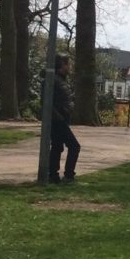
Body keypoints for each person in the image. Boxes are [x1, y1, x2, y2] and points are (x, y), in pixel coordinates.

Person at [48, 54, 81, 184]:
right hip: (58, 120)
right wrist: (59, 117)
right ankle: (68, 175)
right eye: (68, 64)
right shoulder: (54, 80)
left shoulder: (61, 80)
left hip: (61, 119)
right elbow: (48, 102)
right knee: (74, 146)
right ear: (62, 65)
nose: (70, 67)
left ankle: (53, 176)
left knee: (57, 147)